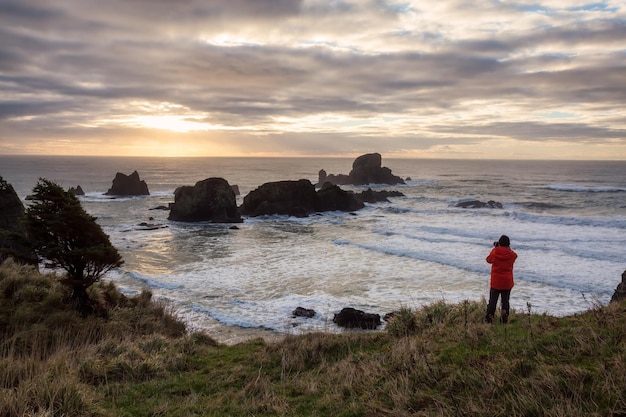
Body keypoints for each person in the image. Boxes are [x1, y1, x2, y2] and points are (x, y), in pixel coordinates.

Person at [485, 235, 517, 323]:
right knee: (505, 302)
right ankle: (504, 320)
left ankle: (489, 320)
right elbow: (515, 255)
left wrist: (496, 248)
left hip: (496, 282)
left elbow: (488, 260)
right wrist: (507, 249)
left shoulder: (495, 252)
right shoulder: (511, 254)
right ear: (508, 244)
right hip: (507, 282)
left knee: (492, 302)